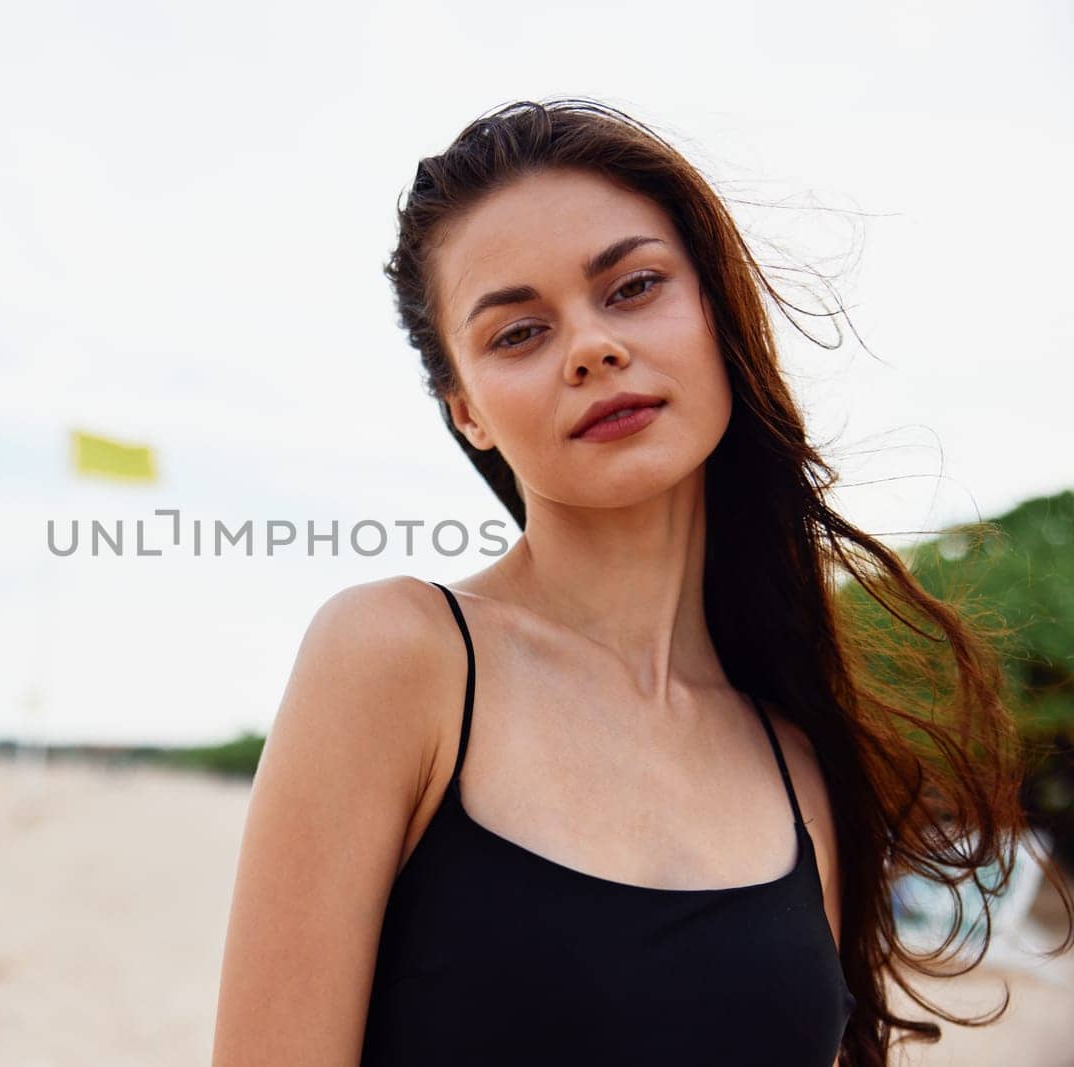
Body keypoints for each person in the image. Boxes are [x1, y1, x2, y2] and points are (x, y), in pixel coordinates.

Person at [211, 99, 1071, 1067]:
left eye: (631, 287)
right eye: (517, 333)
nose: (589, 345)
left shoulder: (794, 760)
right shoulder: (396, 659)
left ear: (714, 310)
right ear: (467, 413)